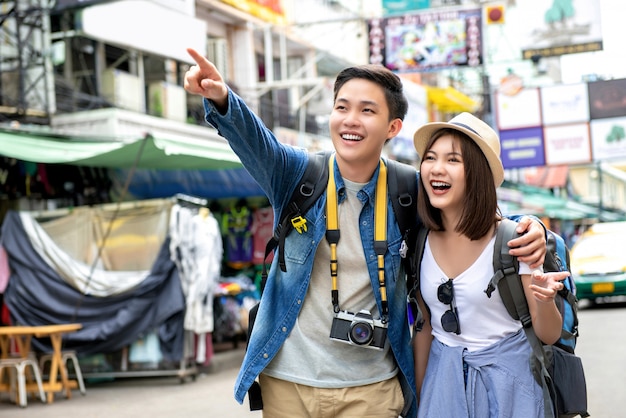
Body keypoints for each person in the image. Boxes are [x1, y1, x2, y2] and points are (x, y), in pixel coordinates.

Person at [184, 48, 546, 418]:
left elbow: (471, 209)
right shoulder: (299, 176)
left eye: (367, 110)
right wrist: (222, 99)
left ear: (393, 127)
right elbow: (257, 144)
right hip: (288, 384)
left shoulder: (409, 188)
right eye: (342, 107)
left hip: (372, 390)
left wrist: (533, 227)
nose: (350, 120)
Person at [411, 113, 568, 417]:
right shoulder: (419, 241)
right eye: (430, 157)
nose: (436, 169)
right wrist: (422, 398)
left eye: (453, 160)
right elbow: (425, 326)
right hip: (442, 385)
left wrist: (545, 299)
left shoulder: (514, 241)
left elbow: (548, 334)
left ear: (478, 174)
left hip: (512, 386)